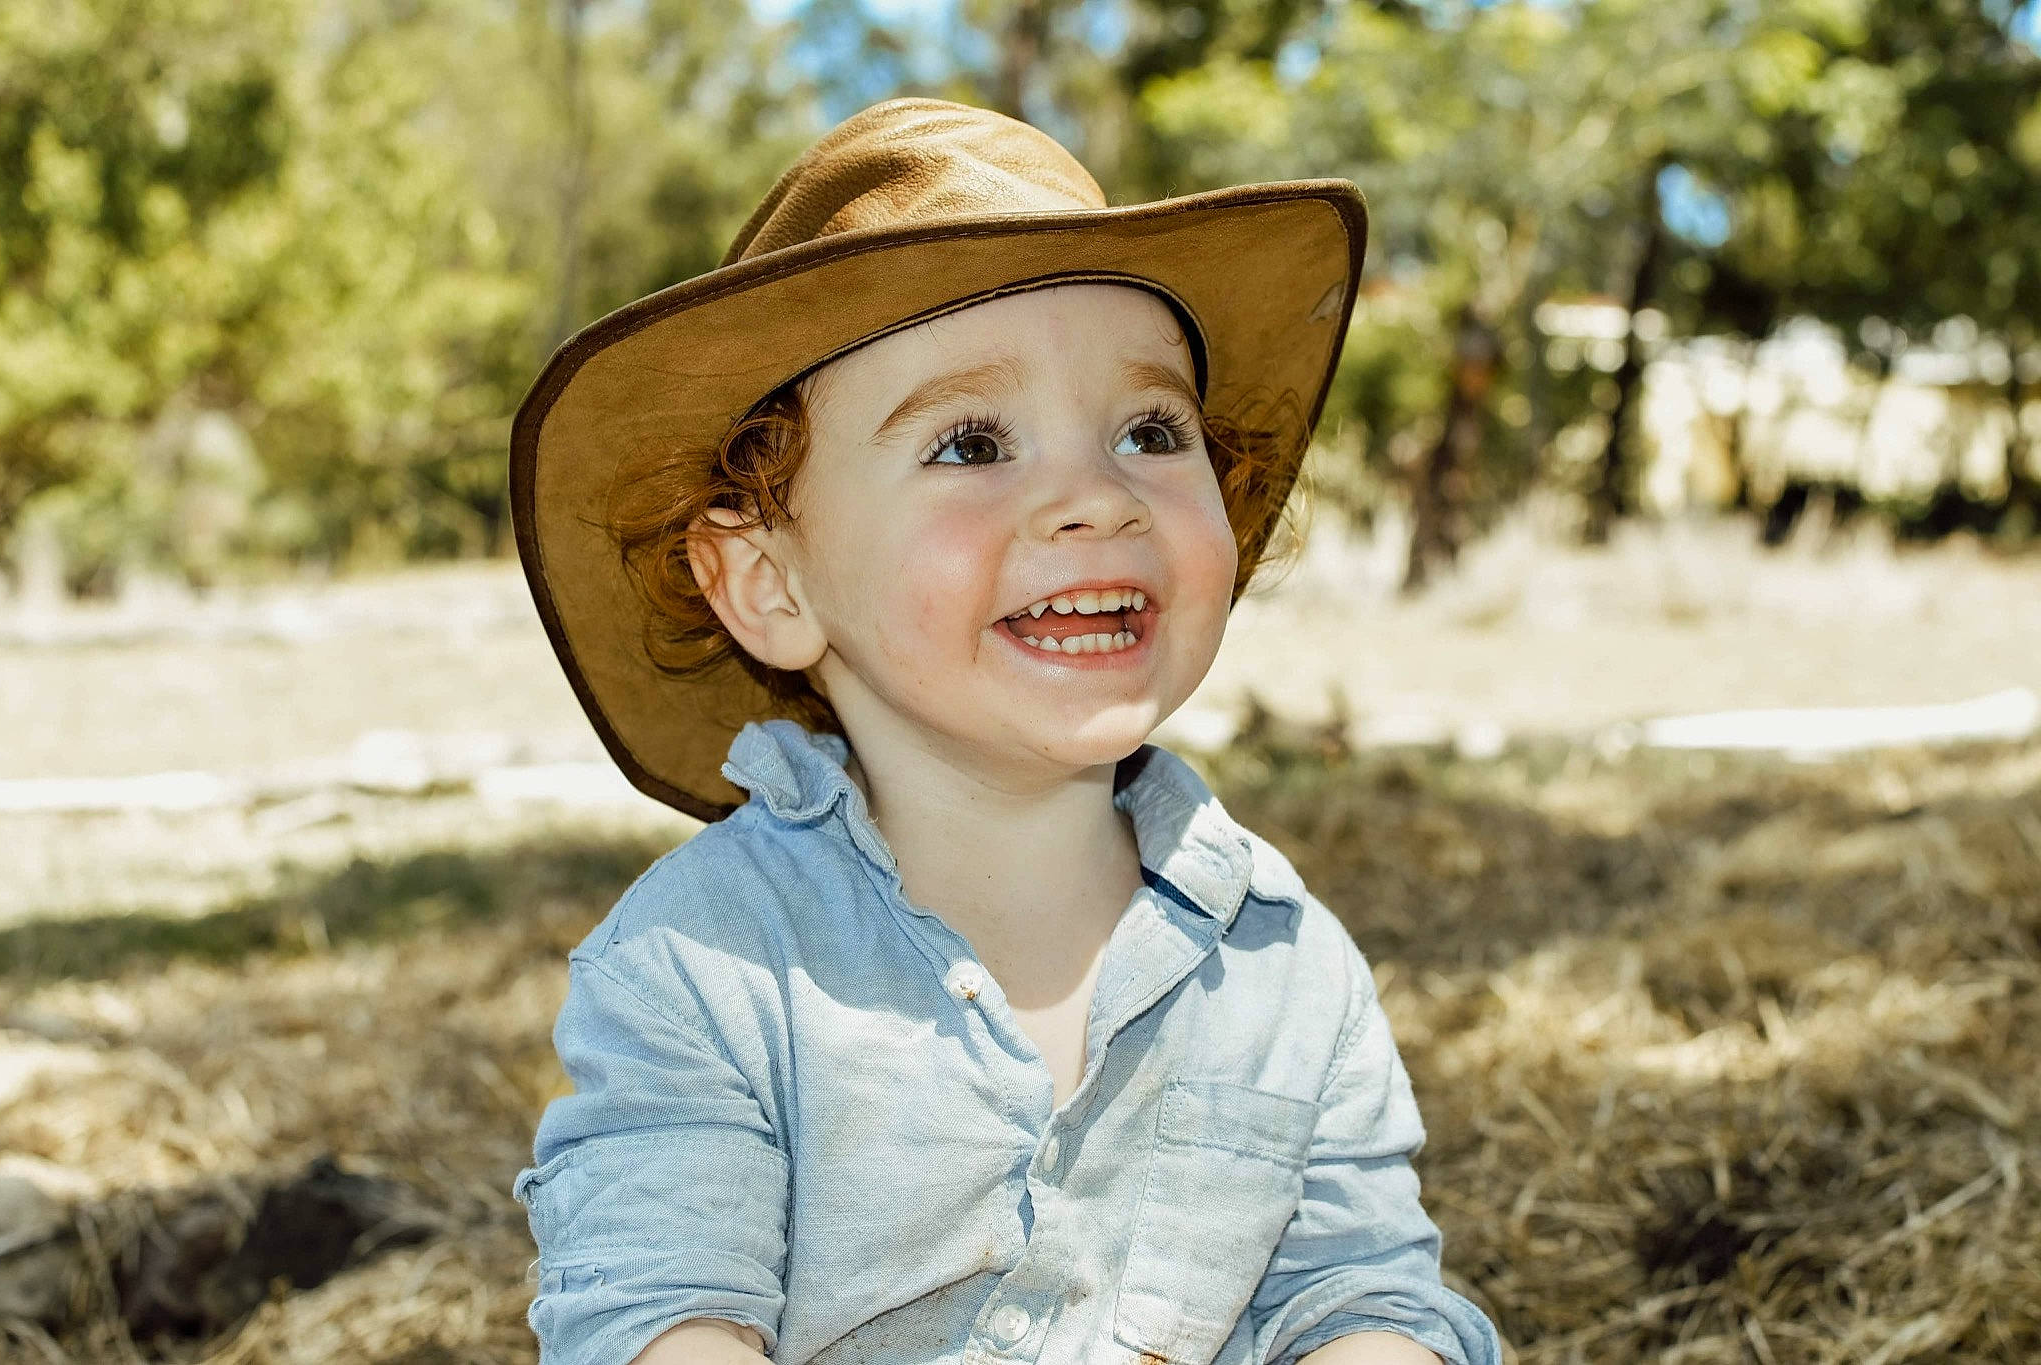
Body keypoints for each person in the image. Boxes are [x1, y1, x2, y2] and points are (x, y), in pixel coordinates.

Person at [507, 98, 1503, 1365]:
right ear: (768, 580)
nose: (1094, 496)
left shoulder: (1282, 966)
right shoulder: (703, 971)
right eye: (970, 442)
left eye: (1151, 431)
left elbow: (1359, 1293)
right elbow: (656, 1319)